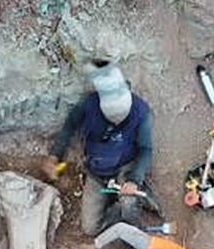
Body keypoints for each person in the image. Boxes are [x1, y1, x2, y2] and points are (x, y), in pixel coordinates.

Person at [42, 61, 155, 236]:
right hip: (96, 172)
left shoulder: (141, 112)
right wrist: (54, 156)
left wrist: (134, 179)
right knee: (90, 229)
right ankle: (115, 209)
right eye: (113, 120)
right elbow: (69, 127)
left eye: (122, 120)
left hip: (125, 167)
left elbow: (146, 149)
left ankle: (132, 231)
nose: (117, 124)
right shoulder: (89, 106)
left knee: (129, 202)